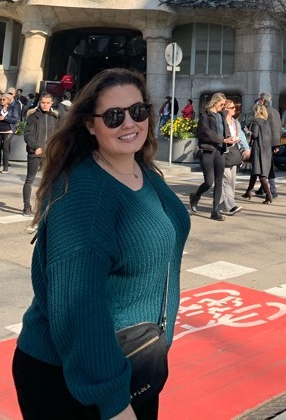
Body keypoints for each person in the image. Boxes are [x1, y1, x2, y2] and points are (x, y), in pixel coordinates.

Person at [12, 67, 190, 420]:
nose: (129, 124)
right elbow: (79, 309)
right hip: (76, 378)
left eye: (138, 111)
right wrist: (112, 401)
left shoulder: (141, 169)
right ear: (90, 125)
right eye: (113, 116)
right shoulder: (84, 196)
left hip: (132, 360)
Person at [189, 92, 228, 221]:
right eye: (221, 104)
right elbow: (205, 132)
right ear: (215, 102)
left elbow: (224, 130)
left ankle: (215, 210)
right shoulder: (205, 115)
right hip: (208, 151)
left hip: (220, 151)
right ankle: (195, 196)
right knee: (208, 182)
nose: (222, 107)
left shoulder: (221, 115)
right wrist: (222, 139)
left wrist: (229, 138)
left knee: (219, 181)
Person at [21, 92, 59, 217]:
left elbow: (58, 135)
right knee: (30, 179)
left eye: (48, 103)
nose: (45, 105)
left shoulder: (54, 117)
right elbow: (27, 134)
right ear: (39, 102)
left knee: (49, 181)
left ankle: (45, 207)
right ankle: (26, 207)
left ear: (52, 103)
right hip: (35, 153)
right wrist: (35, 147)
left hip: (50, 154)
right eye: (43, 102)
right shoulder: (33, 117)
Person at [220, 99, 249, 216]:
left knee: (231, 181)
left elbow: (241, 135)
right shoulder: (220, 121)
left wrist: (246, 149)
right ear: (225, 109)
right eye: (232, 108)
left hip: (233, 153)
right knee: (226, 180)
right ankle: (230, 206)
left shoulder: (235, 122)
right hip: (223, 153)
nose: (234, 110)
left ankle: (222, 205)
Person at [242, 102, 274, 204]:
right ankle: (248, 191)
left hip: (258, 150)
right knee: (255, 172)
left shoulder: (256, 122)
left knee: (260, 174)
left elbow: (254, 135)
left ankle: (269, 195)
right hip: (267, 150)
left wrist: (247, 131)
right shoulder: (267, 122)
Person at [256, 92, 281, 198]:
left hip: (265, 143)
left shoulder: (263, 111)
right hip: (273, 142)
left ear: (262, 100)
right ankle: (263, 188)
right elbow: (278, 128)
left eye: (259, 99)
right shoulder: (275, 111)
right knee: (266, 166)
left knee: (265, 167)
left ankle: (272, 190)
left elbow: (263, 128)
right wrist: (277, 145)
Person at [0, 92, 19, 173]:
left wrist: (5, 118)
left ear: (8, 100)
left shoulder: (13, 108)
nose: (2, 101)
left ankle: (5, 167)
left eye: (3, 99)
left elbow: (15, 119)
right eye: (1, 99)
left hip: (8, 129)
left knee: (6, 148)